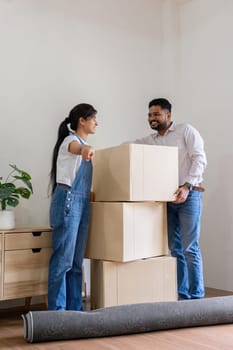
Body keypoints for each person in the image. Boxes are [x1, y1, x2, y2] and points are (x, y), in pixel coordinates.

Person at [131, 98, 207, 300]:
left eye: (156, 114)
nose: (152, 118)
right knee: (175, 249)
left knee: (190, 247)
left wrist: (186, 186)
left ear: (168, 115)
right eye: (149, 115)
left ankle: (197, 296)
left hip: (189, 195)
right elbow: (130, 146)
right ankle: (182, 296)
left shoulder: (186, 131)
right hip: (167, 200)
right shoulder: (152, 140)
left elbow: (200, 158)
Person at [48, 103, 98, 310]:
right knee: (63, 260)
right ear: (82, 120)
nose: (97, 123)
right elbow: (78, 149)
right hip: (68, 201)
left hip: (83, 202)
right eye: (94, 119)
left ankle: (74, 311)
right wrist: (85, 149)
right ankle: (57, 313)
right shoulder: (70, 141)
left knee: (77, 262)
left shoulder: (79, 143)